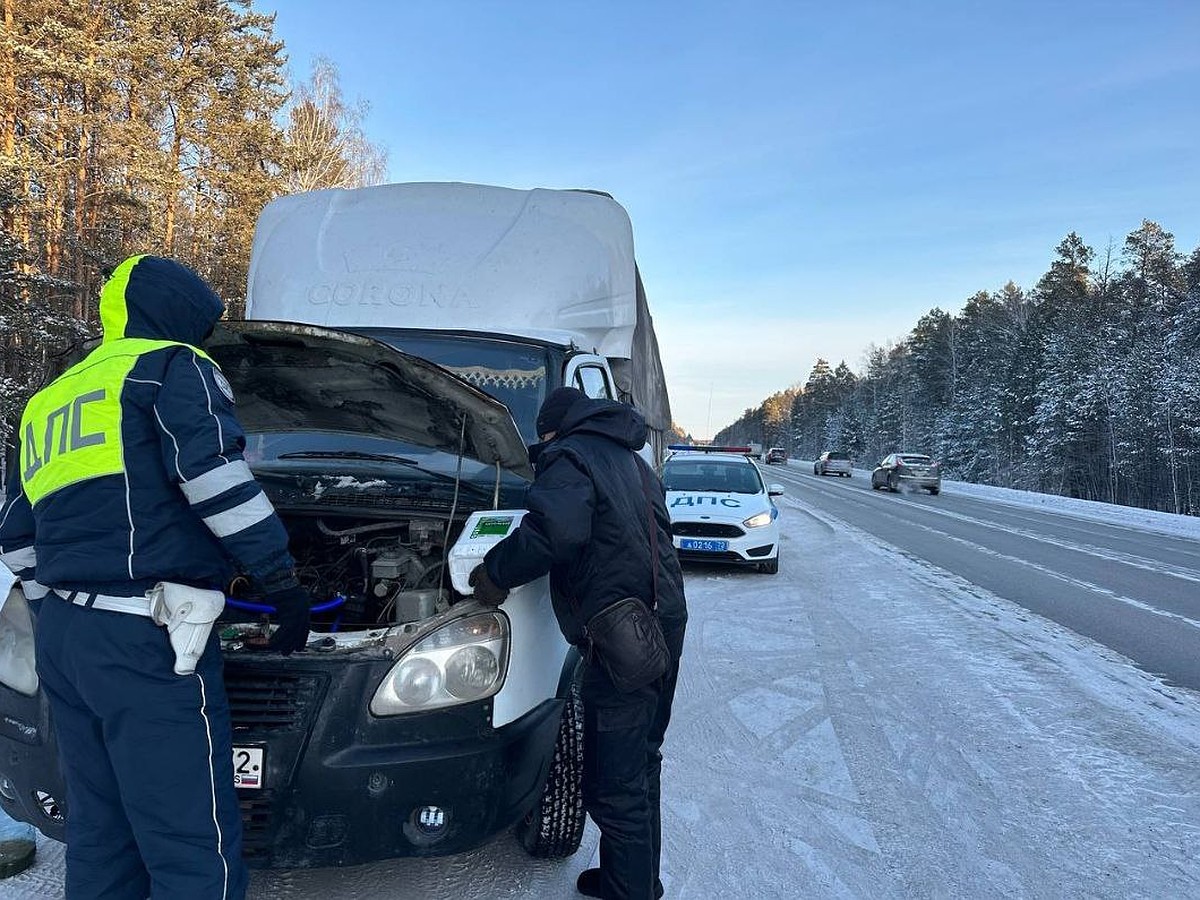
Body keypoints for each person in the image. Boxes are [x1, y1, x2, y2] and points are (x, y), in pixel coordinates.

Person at [0, 255, 311, 899]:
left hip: (65, 637)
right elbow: (215, 481)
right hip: (147, 639)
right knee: (191, 839)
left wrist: (55, 609)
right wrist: (279, 580)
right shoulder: (173, 367)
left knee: (100, 830)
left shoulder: (49, 401)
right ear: (180, 317)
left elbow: (16, 535)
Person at [470, 387, 688, 900]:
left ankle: (628, 892)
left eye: (541, 436)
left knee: (613, 784)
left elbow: (554, 531)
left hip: (621, 636)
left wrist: (496, 570)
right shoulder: (634, 462)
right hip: (663, 622)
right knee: (641, 761)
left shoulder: (571, 454)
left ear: (553, 429)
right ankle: (633, 879)